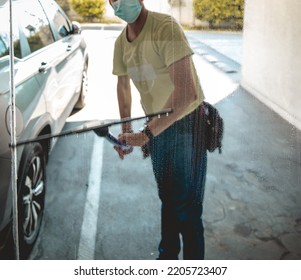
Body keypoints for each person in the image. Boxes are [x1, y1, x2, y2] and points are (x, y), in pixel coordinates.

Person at [109, 0, 207, 260]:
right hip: (158, 129)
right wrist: (127, 129)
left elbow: (187, 92)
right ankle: (167, 258)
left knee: (187, 210)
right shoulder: (121, 43)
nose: (118, 3)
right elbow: (123, 86)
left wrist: (145, 134)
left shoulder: (166, 27)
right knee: (168, 199)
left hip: (187, 125)